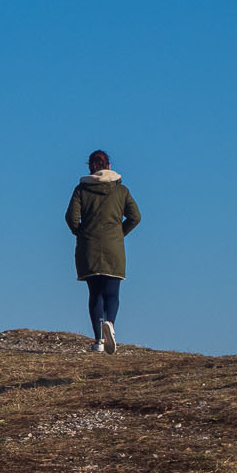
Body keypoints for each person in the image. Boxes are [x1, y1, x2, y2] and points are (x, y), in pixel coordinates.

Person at [65, 150, 141, 354]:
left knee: (95, 294)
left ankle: (99, 340)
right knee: (112, 293)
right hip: (113, 248)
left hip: (88, 248)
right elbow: (136, 217)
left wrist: (80, 233)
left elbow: (71, 218)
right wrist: (119, 233)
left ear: (90, 167)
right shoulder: (121, 191)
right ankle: (111, 324)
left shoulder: (81, 190)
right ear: (109, 166)